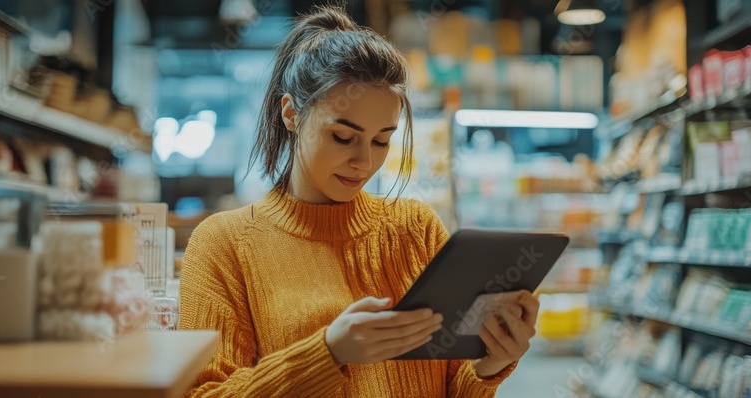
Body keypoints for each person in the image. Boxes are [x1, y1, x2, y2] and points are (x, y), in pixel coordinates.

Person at [178, 6, 539, 397]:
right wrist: (328, 354)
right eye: (343, 137)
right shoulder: (225, 244)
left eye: (382, 140)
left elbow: (454, 385)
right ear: (290, 114)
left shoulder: (415, 227)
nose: (364, 162)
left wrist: (489, 366)